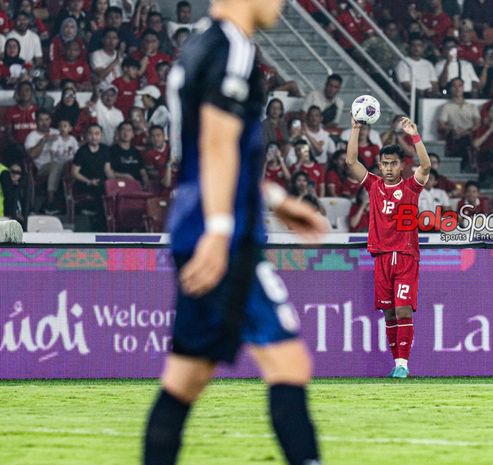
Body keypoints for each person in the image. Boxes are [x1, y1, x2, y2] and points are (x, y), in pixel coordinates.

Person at [143, 1, 327, 465]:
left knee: (185, 380)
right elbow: (216, 144)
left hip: (197, 224)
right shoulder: (234, 49)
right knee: (289, 363)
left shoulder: (198, 47)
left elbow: (212, 156)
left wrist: (276, 201)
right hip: (224, 236)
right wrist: (221, 231)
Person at [345, 115, 430, 378]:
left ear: (402, 166)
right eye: (385, 164)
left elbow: (425, 166)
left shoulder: (411, 188)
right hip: (381, 257)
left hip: (405, 256)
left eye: (394, 164)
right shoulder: (374, 186)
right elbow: (351, 162)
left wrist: (414, 135)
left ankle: (404, 364)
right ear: (380, 167)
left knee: (403, 308)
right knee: (390, 313)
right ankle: (397, 364)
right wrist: (356, 129)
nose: (389, 168)